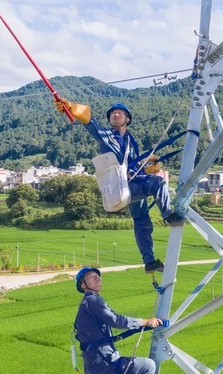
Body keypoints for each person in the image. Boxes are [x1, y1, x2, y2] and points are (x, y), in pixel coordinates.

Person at [55, 96, 185, 273]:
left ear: (127, 119)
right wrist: (71, 107)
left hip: (132, 183)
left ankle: (149, 261)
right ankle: (168, 215)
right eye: (113, 114)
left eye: (120, 113)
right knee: (159, 183)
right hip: (122, 186)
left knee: (142, 221)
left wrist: (146, 170)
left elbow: (132, 165)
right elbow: (89, 120)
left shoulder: (132, 141)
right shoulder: (106, 136)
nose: (116, 115)